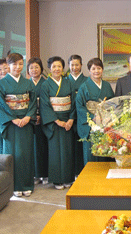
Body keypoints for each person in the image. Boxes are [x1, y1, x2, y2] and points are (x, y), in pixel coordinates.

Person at [0, 53, 37, 197]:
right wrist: (12, 118)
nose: (17, 67)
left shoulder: (28, 83)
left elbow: (32, 102)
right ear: (8, 65)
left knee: (26, 153)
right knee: (13, 154)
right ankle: (14, 186)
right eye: (14, 64)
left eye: (20, 64)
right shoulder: (0, 84)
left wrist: (28, 116)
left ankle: (27, 184)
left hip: (25, 122)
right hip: (11, 124)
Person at [40, 56, 75, 190]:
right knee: (55, 151)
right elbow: (45, 105)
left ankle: (68, 178)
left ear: (63, 68)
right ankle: (57, 180)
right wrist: (57, 120)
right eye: (54, 66)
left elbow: (73, 101)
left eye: (59, 66)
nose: (57, 69)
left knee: (67, 150)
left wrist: (71, 119)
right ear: (49, 69)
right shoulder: (45, 85)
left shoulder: (68, 83)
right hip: (54, 122)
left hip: (68, 120)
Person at [75, 57, 114, 165]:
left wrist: (106, 117)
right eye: (93, 69)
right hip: (90, 124)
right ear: (89, 70)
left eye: (99, 68)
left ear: (102, 69)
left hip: (104, 122)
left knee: (105, 150)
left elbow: (112, 103)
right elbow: (80, 106)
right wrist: (92, 118)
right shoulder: (84, 86)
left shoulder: (106, 85)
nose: (96, 71)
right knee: (91, 153)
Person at [27, 57, 49, 185]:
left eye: (36, 67)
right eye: (31, 68)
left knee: (43, 146)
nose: (34, 70)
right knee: (32, 147)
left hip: (43, 118)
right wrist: (32, 116)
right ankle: (35, 174)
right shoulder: (26, 83)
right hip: (29, 119)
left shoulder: (45, 83)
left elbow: (48, 103)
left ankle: (44, 173)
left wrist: (41, 115)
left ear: (41, 68)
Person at [67, 54, 88, 176]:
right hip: (67, 119)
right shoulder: (64, 81)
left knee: (81, 146)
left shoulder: (86, 81)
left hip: (82, 118)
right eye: (72, 65)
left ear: (81, 65)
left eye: (77, 65)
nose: (74, 67)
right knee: (69, 147)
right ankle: (70, 173)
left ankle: (81, 172)